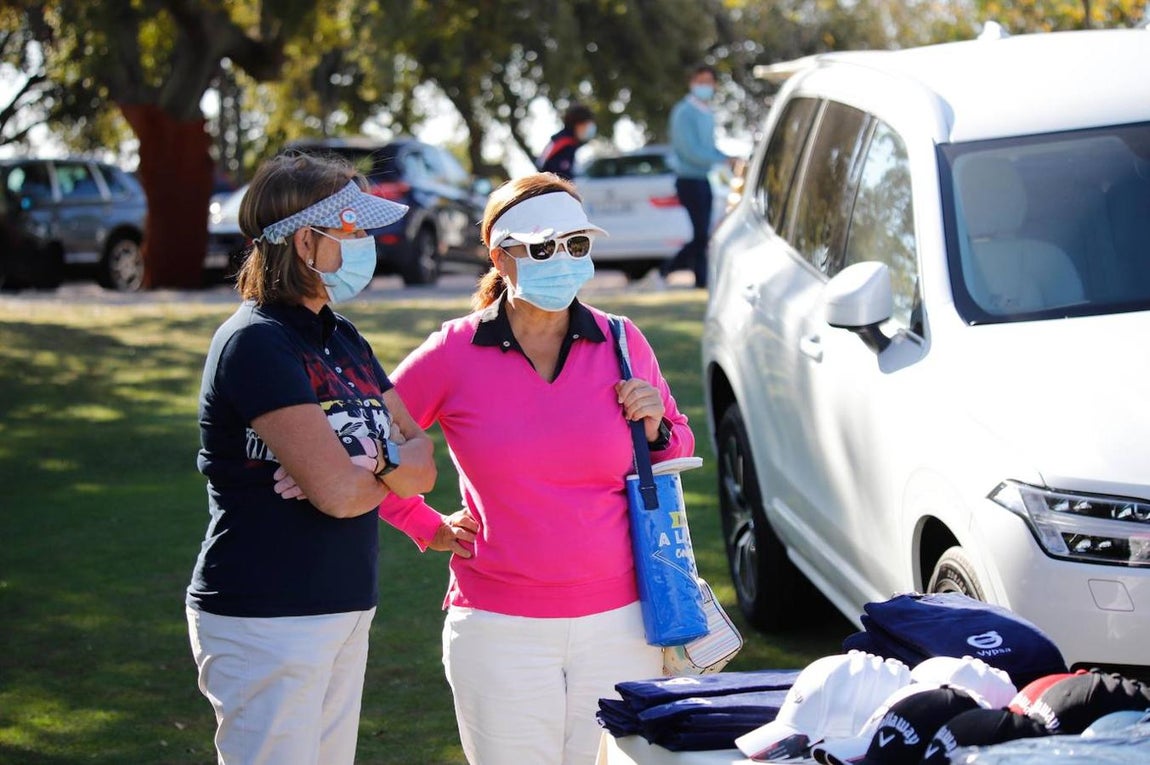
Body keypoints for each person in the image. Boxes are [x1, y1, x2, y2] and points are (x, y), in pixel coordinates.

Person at [374, 173, 696, 764]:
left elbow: (677, 447)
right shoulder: (453, 351)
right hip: (499, 629)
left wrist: (656, 427)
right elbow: (371, 444)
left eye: (577, 245)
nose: (565, 260)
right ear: (501, 256)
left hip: (624, 624)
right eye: (544, 248)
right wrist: (425, 524)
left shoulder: (623, 340)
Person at [185, 153, 472, 765]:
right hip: (266, 614)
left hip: (341, 604)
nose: (370, 243)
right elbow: (342, 494)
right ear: (305, 242)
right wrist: (380, 466)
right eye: (354, 229)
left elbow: (424, 463)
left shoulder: (342, 336)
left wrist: (367, 464)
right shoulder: (256, 342)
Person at [659, 64, 732, 289]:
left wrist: (726, 157)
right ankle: (666, 269)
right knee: (700, 235)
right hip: (688, 180)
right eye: (700, 81)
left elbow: (710, 147)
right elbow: (690, 151)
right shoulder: (684, 111)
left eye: (708, 82)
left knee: (704, 235)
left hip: (704, 179)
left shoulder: (707, 112)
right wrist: (720, 159)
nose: (704, 86)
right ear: (692, 83)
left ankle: (701, 281)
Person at [537, 103, 597, 180]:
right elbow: (563, 180)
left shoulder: (559, 140)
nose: (589, 128)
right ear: (578, 125)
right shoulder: (566, 145)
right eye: (587, 124)